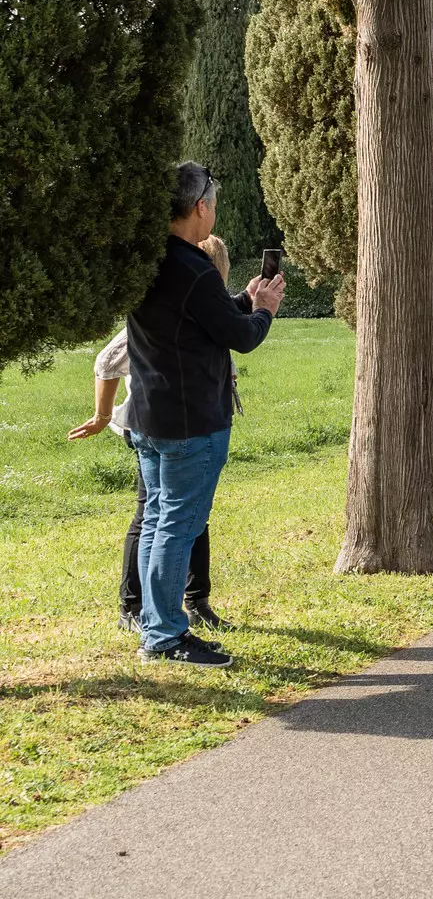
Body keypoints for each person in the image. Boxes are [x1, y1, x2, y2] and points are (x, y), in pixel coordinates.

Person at [124, 163, 283, 668]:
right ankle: (166, 636)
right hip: (193, 421)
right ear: (201, 207)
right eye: (213, 203)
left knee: (155, 521)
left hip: (150, 414)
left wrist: (244, 299)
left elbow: (200, 321)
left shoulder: (149, 261)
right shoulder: (193, 268)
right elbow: (241, 336)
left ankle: (155, 624)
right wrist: (265, 311)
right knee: (178, 525)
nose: (214, 210)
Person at [71, 236, 240, 633]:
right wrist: (100, 415)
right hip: (155, 426)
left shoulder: (208, 305)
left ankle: (195, 602)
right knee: (155, 517)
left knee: (191, 516)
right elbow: (107, 361)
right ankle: (135, 608)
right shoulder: (167, 307)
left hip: (190, 424)